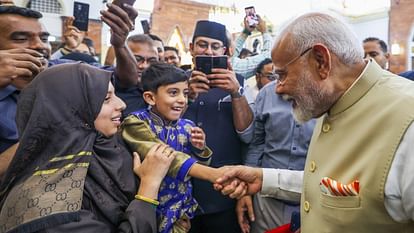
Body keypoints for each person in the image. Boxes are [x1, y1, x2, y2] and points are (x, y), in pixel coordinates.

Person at [215, 12, 414, 232]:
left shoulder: (407, 121)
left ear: (321, 61)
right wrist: (264, 178)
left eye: (282, 75)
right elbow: (332, 186)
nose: (278, 87)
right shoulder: (328, 100)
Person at [0, 63, 175, 232]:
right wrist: (149, 187)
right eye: (106, 99)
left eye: (115, 95)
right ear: (72, 110)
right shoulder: (45, 205)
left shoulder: (107, 150)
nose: (121, 104)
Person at [0, 3, 138, 177]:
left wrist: (120, 44)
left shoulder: (63, 72)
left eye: (44, 38)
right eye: (20, 38)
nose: (39, 46)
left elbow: (127, 79)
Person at [122, 62, 231, 233]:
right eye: (173, 93)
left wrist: (199, 149)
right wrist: (215, 175)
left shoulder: (187, 125)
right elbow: (166, 158)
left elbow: (200, 164)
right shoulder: (137, 123)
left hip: (181, 210)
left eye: (185, 93)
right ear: (150, 98)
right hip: (150, 208)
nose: (182, 99)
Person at [184, 20, 253, 233]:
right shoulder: (177, 81)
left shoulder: (238, 82)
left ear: (225, 51)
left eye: (216, 47)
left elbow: (248, 134)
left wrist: (235, 92)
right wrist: (187, 95)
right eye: (202, 45)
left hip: (224, 190)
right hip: (181, 191)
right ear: (191, 48)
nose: (209, 51)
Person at [236, 81, 315, 233]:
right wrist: (245, 191)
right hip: (266, 201)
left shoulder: (327, 96)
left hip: (311, 202)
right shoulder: (267, 93)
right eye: (277, 75)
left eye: (285, 73)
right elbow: (256, 145)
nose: (279, 84)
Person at [116, 34, 159, 118]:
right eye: (137, 59)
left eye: (152, 61)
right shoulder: (106, 84)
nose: (144, 66)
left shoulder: (162, 88)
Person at [231, 15, 272, 79]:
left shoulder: (230, 64)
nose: (209, 51)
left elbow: (232, 52)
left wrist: (246, 32)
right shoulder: (230, 67)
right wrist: (264, 31)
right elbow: (268, 57)